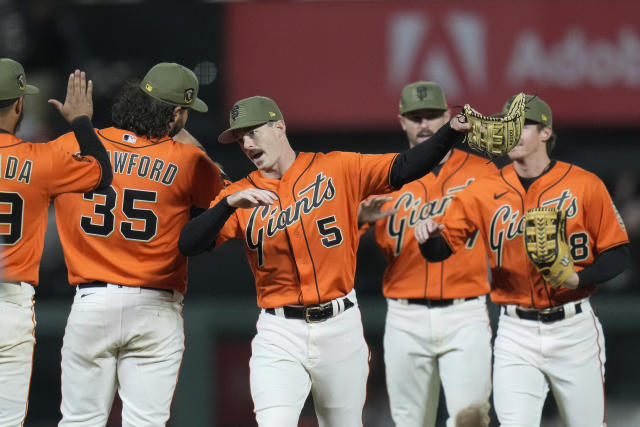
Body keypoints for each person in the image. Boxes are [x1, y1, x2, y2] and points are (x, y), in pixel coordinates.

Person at [178, 95, 472, 426]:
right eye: (239, 138)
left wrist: (451, 131)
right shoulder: (242, 195)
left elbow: (405, 165)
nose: (246, 143)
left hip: (340, 327)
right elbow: (189, 243)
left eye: (252, 132)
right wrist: (227, 203)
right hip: (279, 331)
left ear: (279, 127)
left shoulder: (336, 167)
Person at [414, 95, 630, 427]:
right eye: (508, 124)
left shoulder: (585, 185)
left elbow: (618, 252)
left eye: (524, 124)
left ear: (546, 133)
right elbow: (441, 250)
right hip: (516, 331)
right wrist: (429, 239)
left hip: (574, 327)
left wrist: (578, 279)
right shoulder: (483, 190)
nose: (513, 131)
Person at [52, 62, 224, 426]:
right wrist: (192, 145)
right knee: (146, 422)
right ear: (177, 112)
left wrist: (81, 124)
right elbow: (228, 200)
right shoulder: (188, 161)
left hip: (91, 303)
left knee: (79, 421)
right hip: (154, 308)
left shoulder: (73, 146)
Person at [357, 81, 496, 427]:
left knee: (472, 417)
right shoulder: (383, 176)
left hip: (466, 312)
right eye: (415, 117)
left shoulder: (483, 172)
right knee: (409, 421)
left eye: (432, 116)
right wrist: (358, 218)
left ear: (448, 116)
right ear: (401, 121)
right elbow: (334, 240)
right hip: (406, 316)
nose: (424, 125)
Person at [0, 59, 111, 427]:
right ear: (19, 105)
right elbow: (101, 171)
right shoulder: (40, 159)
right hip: (11, 304)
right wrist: (80, 121)